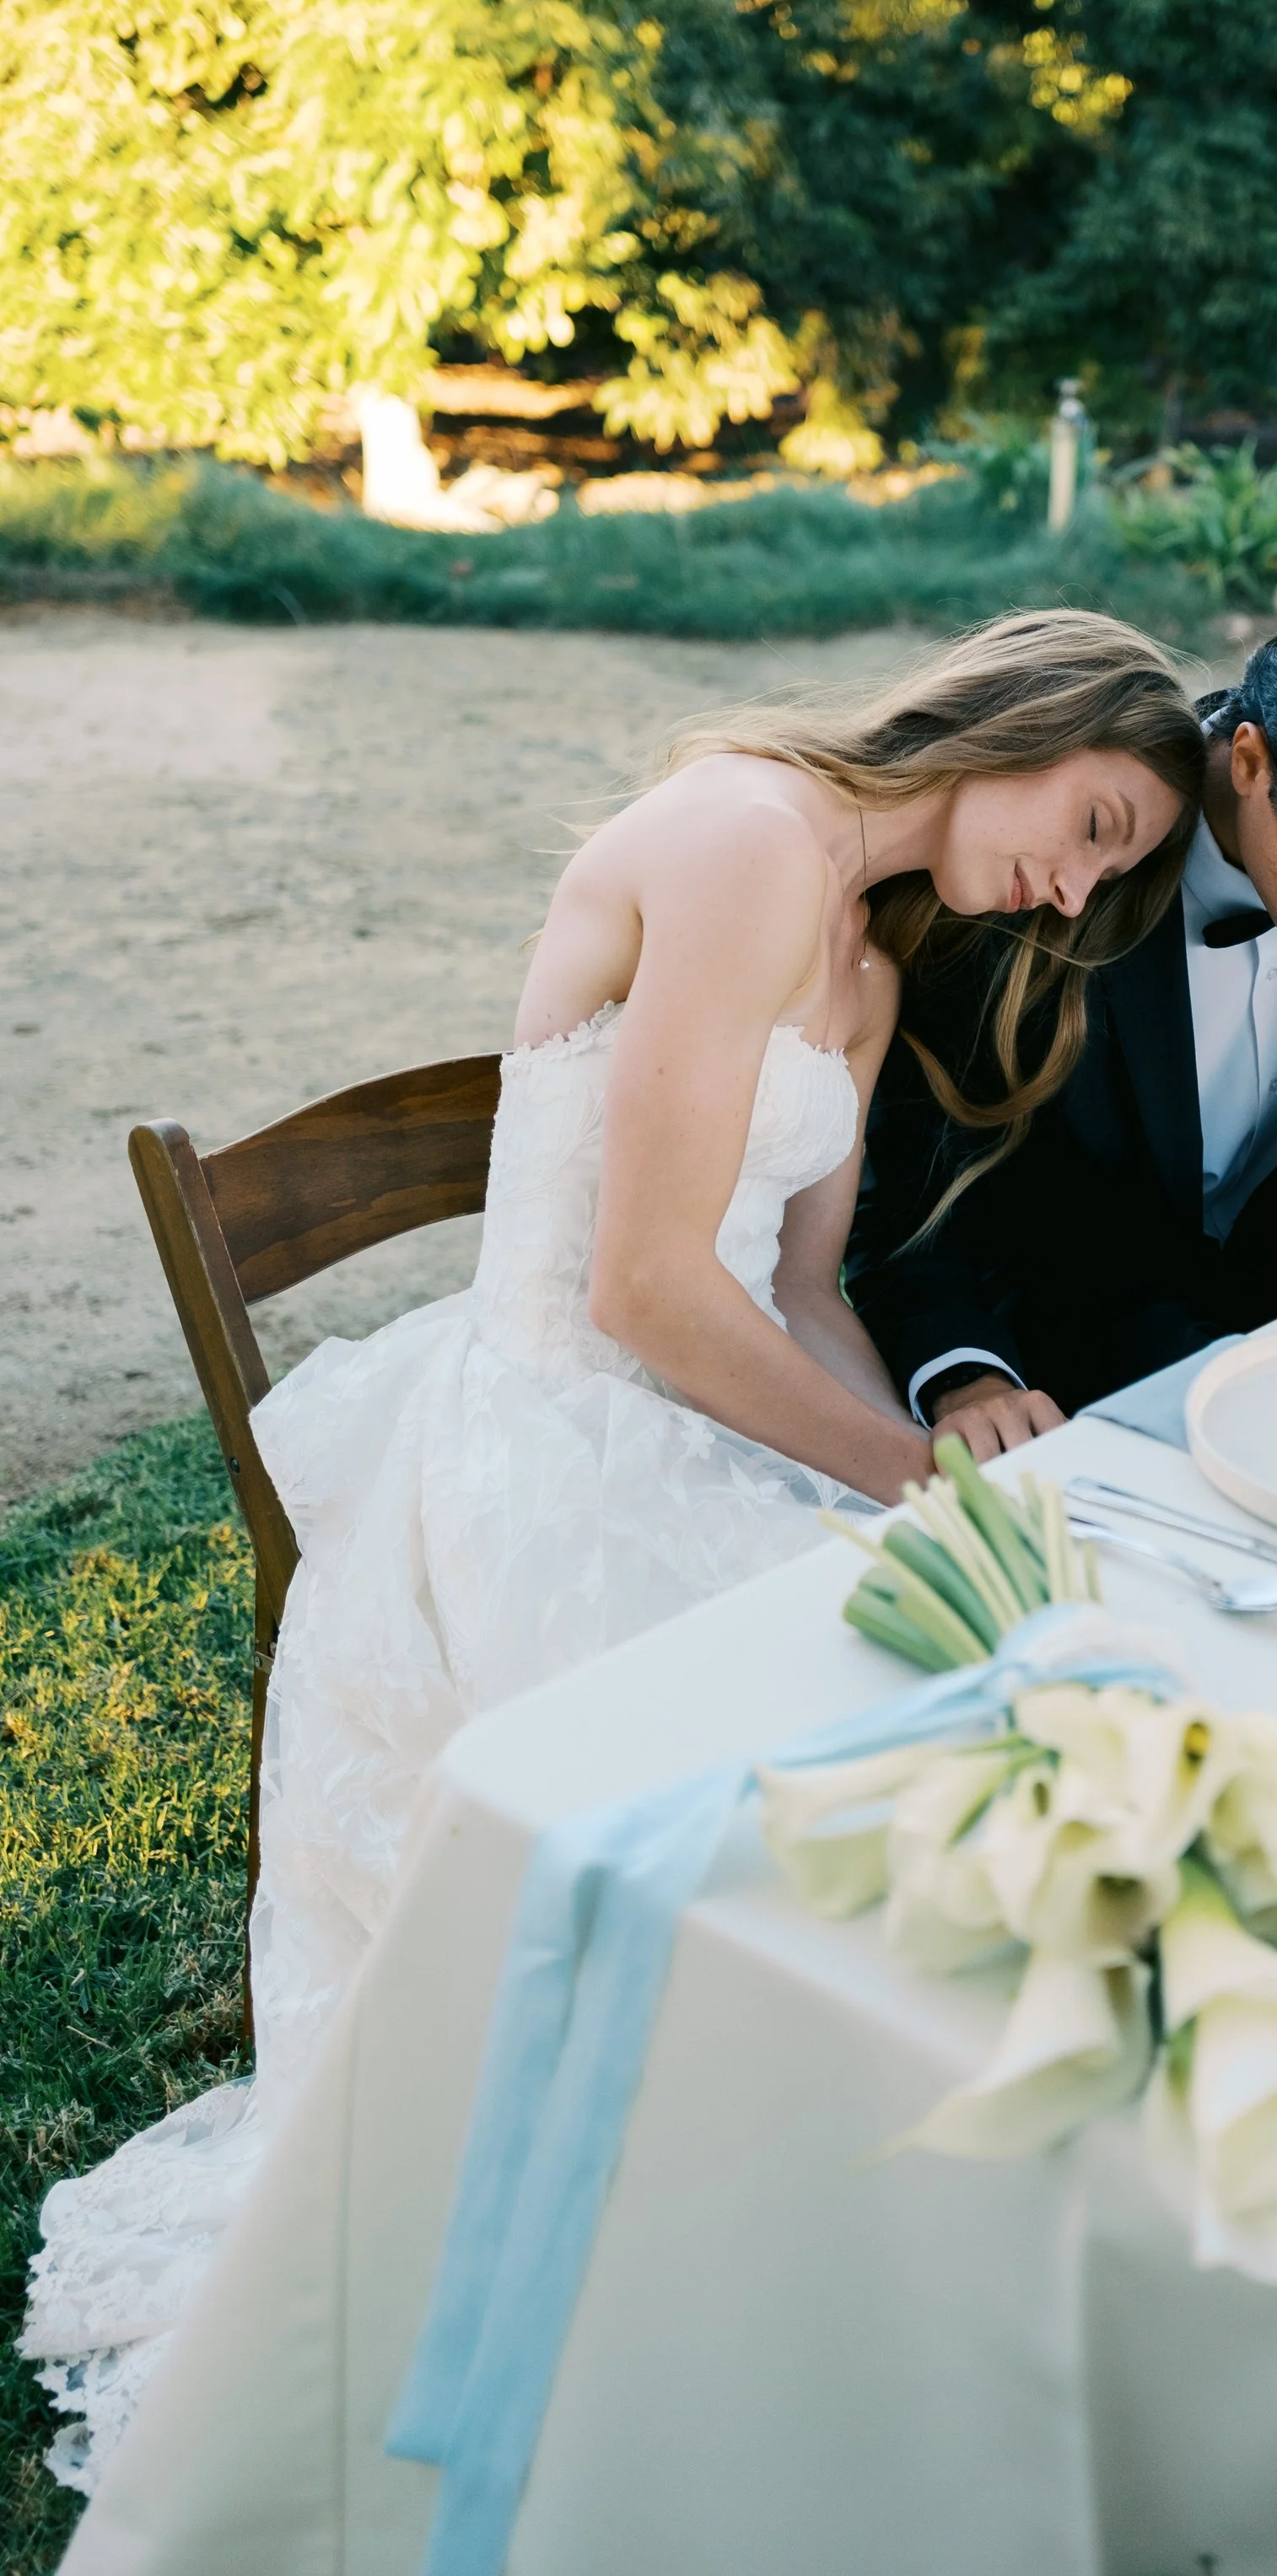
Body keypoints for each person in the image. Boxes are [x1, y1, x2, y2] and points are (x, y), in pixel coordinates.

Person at [24, 608, 1204, 2493]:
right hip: (545, 1440)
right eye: (1092, 830)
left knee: (980, 1672)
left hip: (704, 1421)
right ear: (1026, 715)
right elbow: (647, 1289)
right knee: (833, 1785)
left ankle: (851, 2230)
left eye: (1104, 880)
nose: (1066, 895)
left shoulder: (871, 968)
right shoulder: (745, 836)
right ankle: (719, 2219)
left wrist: (915, 1493)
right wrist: (903, 1474)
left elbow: (801, 1294)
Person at [849, 580, 1277, 1439]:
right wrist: (963, 1371)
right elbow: (912, 1190)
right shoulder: (1041, 866)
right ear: (1252, 762)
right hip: (1068, 1340)